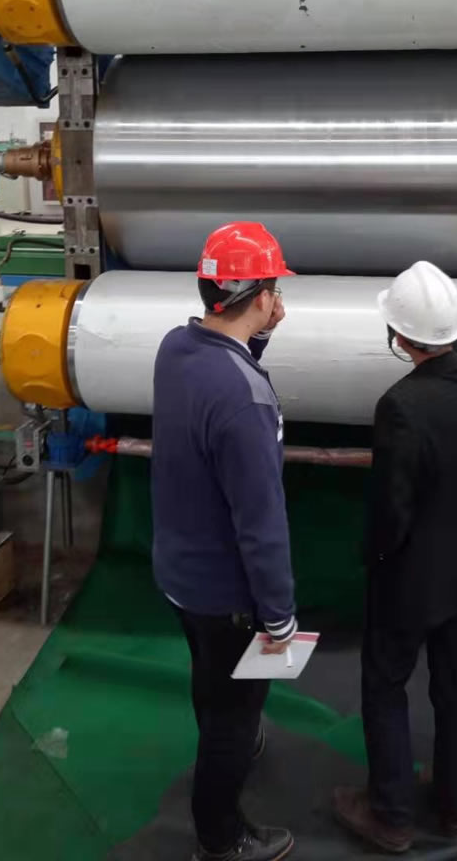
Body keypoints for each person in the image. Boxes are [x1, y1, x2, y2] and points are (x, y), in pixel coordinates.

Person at [333, 261, 457, 854]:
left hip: (416, 579)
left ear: (398, 336)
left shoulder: (402, 405)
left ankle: (391, 816)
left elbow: (393, 510)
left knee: (385, 685)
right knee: (454, 684)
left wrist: (374, 559)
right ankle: (453, 807)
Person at [152, 221, 298, 861]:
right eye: (275, 290)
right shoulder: (247, 402)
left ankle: (228, 738)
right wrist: (279, 615)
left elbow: (224, 373)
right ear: (262, 296)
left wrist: (256, 338)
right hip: (229, 593)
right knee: (235, 716)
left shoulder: (175, 348)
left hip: (180, 573)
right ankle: (222, 837)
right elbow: (260, 524)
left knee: (210, 680)